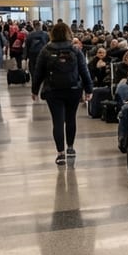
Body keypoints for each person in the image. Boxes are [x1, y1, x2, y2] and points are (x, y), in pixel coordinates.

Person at [31, 22, 93, 166]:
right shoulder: (75, 50)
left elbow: (38, 72)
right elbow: (84, 71)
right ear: (68, 33)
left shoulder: (46, 50)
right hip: (73, 89)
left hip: (53, 91)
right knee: (71, 119)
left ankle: (60, 154)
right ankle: (70, 147)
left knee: (57, 121)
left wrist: (35, 90)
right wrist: (89, 89)